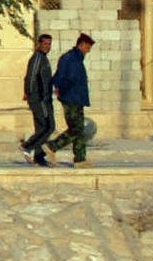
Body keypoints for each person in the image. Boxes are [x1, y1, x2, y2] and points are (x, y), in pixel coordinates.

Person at [45, 32, 96, 166]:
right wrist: (61, 89)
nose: (88, 51)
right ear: (82, 45)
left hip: (75, 97)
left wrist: (57, 86)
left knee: (78, 128)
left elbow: (58, 75)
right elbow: (70, 78)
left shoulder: (72, 58)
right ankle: (52, 146)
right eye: (88, 48)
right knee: (76, 129)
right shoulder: (72, 59)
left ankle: (80, 158)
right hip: (71, 97)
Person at [19, 33, 57, 167]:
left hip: (45, 98)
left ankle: (39, 157)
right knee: (49, 126)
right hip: (39, 98)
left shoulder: (43, 58)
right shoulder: (37, 58)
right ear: (39, 44)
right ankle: (27, 146)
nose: (48, 46)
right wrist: (30, 94)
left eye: (49, 44)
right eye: (45, 43)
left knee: (42, 127)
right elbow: (30, 77)